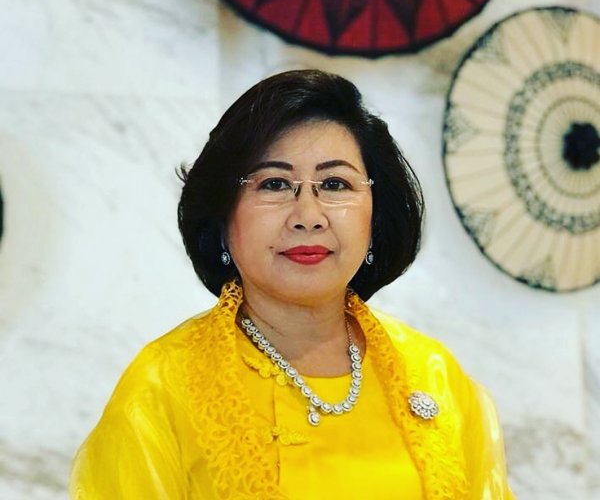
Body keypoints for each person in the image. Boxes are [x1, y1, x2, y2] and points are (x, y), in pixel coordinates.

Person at [70, 70, 514, 499]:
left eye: (335, 183)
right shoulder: (165, 384)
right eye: (275, 184)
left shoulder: (434, 376)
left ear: (376, 217)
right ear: (223, 216)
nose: (308, 216)